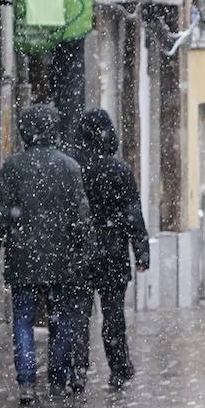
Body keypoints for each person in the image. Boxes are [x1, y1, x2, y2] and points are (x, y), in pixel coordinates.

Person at [0, 103, 92, 404]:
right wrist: (83, 253)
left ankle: (27, 382)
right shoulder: (69, 167)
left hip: (23, 258)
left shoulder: (13, 167)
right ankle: (57, 380)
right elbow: (81, 219)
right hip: (61, 260)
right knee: (60, 320)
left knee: (22, 320)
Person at [70, 108, 150, 390]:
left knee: (79, 314)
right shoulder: (119, 169)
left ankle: (77, 369)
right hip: (113, 252)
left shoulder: (72, 167)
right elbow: (133, 215)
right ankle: (118, 367)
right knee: (113, 315)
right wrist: (141, 252)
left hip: (79, 251)